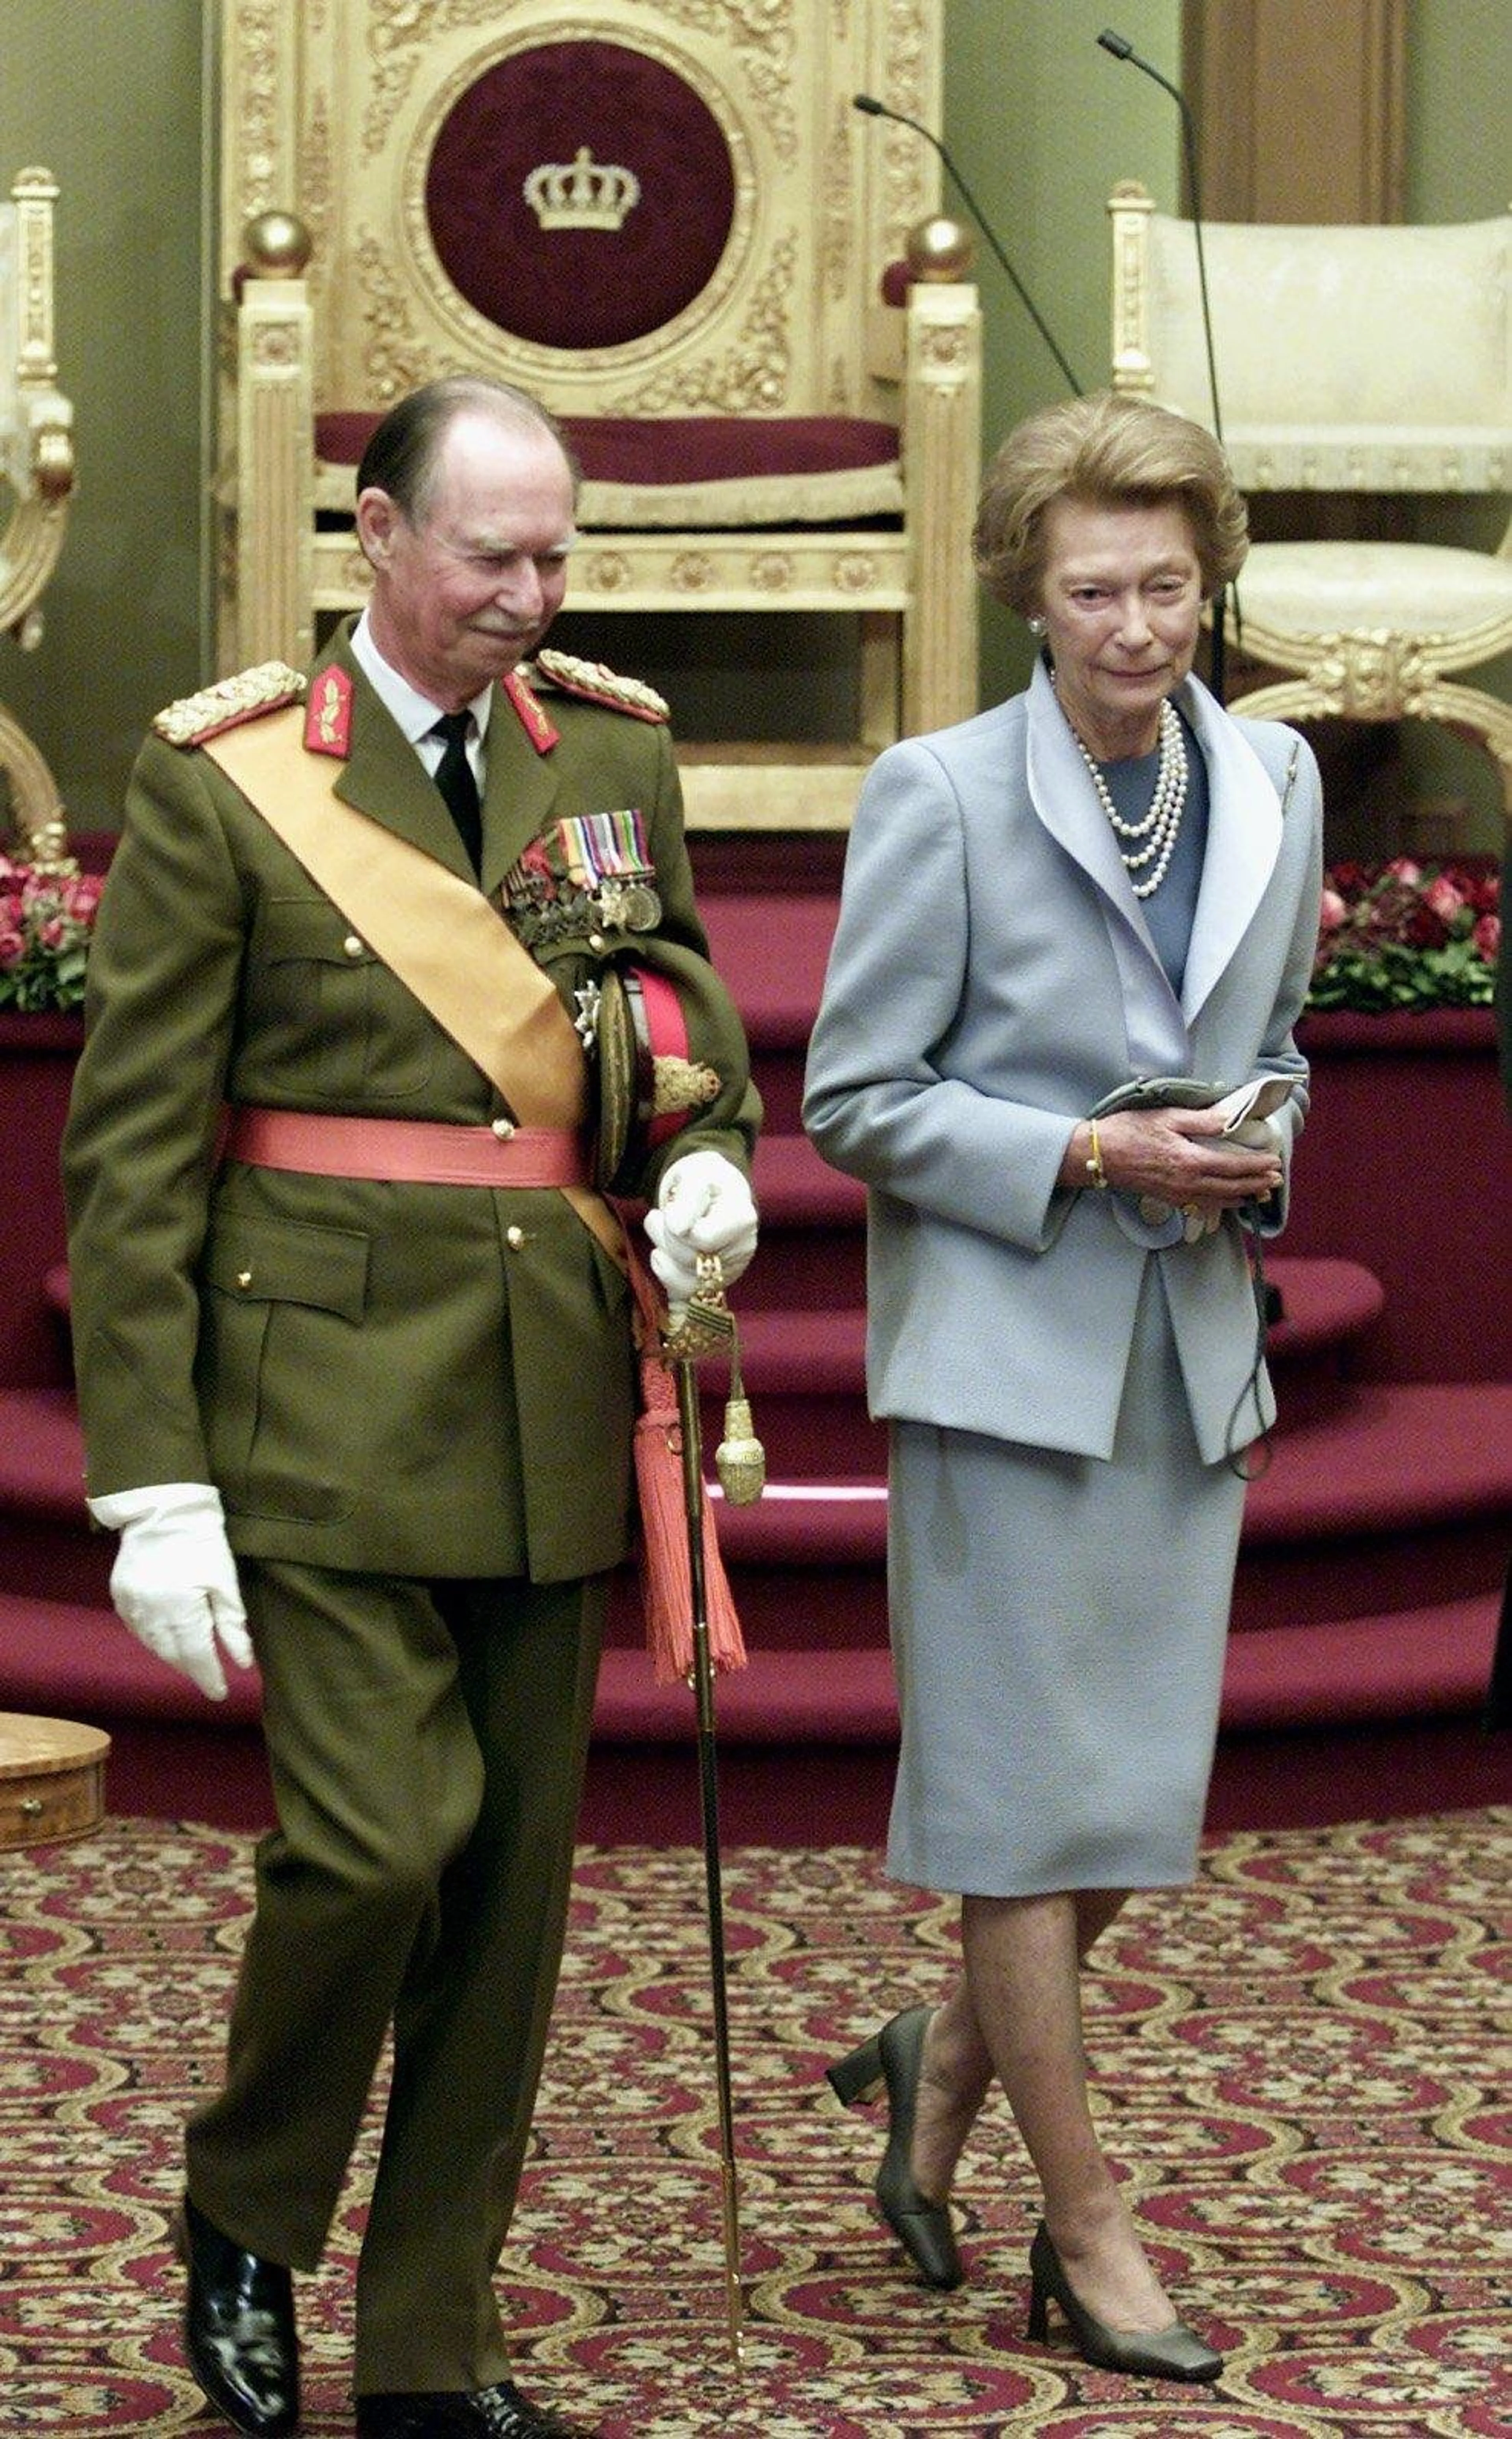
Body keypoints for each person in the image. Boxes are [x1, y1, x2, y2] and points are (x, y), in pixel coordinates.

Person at [62, 376, 760, 2439]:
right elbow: (132, 1154)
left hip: (551, 1383)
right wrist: (152, 1482)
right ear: (376, 535)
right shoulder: (229, 778)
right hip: (319, 1397)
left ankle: (437, 2354)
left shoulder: (616, 746)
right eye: (491, 559)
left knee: (510, 1898)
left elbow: (677, 992)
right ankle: (247, 2205)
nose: (531, 598)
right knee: (380, 1849)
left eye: (558, 559)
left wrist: (701, 1147)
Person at [804, 389, 1322, 2383]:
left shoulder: (1269, 774)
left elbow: (1275, 1035)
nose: (1138, 628)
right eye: (1097, 590)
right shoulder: (936, 791)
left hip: (1188, 1347)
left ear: (1214, 581)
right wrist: (1089, 1154)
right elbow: (856, 1098)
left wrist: (1264, 1133)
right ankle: (1083, 2230)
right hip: (1009, 1361)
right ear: (1029, 592)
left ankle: (943, 2056)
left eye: (1172, 587)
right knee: (1023, 1814)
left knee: (1120, 1805)